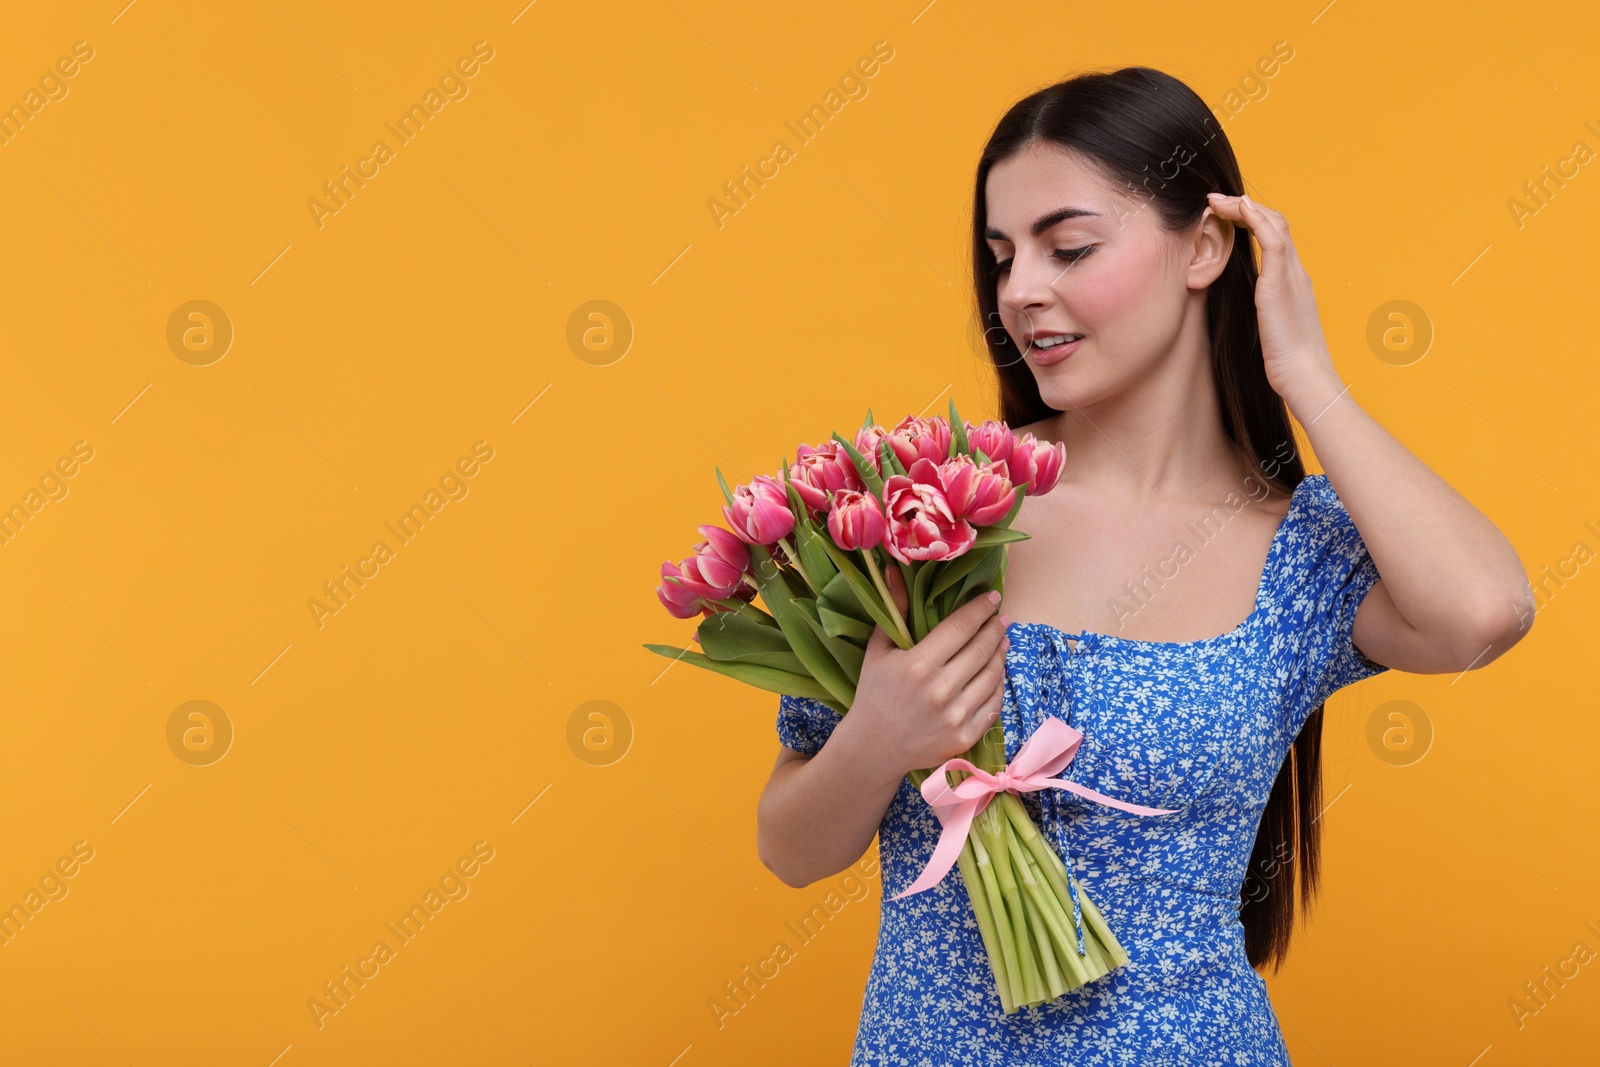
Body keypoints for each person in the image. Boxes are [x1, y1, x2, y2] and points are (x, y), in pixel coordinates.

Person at [755, 66, 1534, 1064]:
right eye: (1001, 257)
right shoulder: (930, 505)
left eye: (1068, 246)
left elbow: (1484, 611)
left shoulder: (1298, 549)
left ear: (1203, 246)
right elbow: (790, 849)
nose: (1020, 291)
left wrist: (1306, 377)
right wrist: (877, 736)